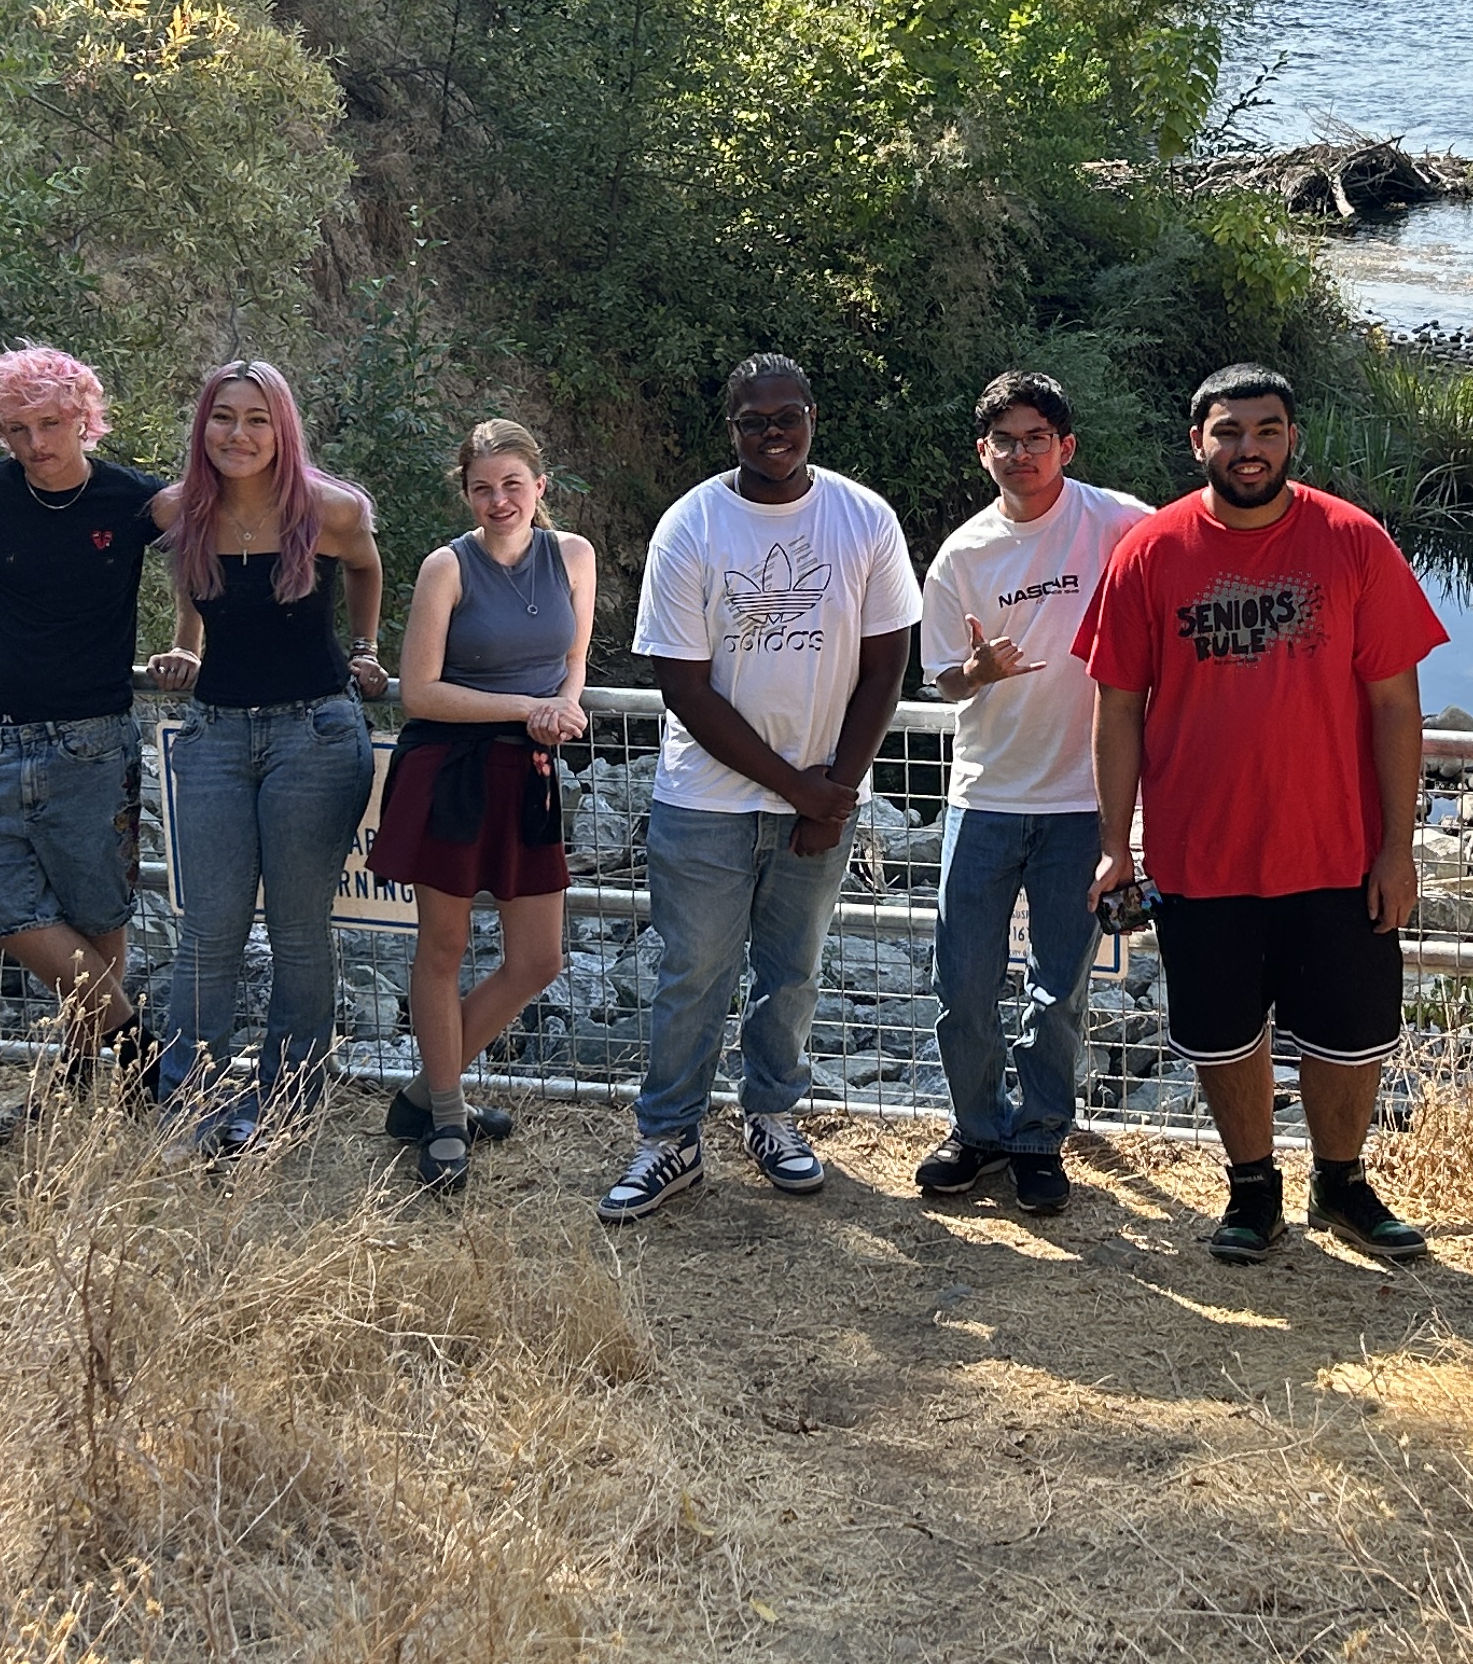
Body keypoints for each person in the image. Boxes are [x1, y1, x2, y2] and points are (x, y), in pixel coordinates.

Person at [1079, 364, 1449, 1265]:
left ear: (1293, 438)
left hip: (1337, 849)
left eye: (1268, 430)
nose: (1250, 448)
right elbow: (1118, 706)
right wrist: (1115, 846)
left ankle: (1342, 1181)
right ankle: (1252, 1189)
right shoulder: (1151, 552)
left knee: (1349, 1034)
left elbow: (1398, 707)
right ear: (1197, 440)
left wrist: (1396, 851)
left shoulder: (1353, 541)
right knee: (1222, 1032)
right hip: (1201, 853)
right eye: (1230, 431)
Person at [597, 356, 921, 1224]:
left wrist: (837, 790)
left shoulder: (865, 519)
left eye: (788, 418)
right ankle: (670, 1139)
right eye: (753, 422)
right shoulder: (691, 525)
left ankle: (772, 1118)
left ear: (813, 417)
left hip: (822, 798)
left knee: (794, 975)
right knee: (693, 972)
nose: (772, 435)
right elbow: (686, 688)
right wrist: (802, 792)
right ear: (729, 427)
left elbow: (887, 667)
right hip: (703, 802)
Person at [911, 371, 1152, 1219]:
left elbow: (1184, 568)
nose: (1021, 454)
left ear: (1066, 446)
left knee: (1061, 988)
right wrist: (976, 672)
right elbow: (941, 679)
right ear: (984, 452)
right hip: (984, 796)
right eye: (1004, 441)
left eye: (1036, 438)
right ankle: (976, 1129)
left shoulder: (1118, 521)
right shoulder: (963, 555)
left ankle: (1041, 1135)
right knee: (963, 984)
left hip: (1084, 803)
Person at [151, 360, 384, 1150]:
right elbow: (189, 585)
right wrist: (185, 644)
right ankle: (189, 1106)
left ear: (281, 427)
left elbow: (368, 568)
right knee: (208, 930)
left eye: (256, 418)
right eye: (224, 417)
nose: (238, 434)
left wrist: (366, 647)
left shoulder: (330, 511)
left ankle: (284, 1102)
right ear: (202, 427)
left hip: (314, 735)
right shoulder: (176, 511)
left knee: (296, 929)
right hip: (213, 734)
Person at [381, 420, 598, 1196]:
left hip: (530, 770)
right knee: (442, 948)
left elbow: (572, 664)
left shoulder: (574, 555)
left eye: (513, 484)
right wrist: (525, 708)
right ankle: (446, 1115)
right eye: (483, 487)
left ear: (541, 486)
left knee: (538, 959)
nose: (499, 499)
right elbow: (419, 692)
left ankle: (419, 1095)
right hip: (453, 770)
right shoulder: (447, 567)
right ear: (467, 494)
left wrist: (561, 710)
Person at [0, 343, 161, 1064]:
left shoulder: (132, 498)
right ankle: (133, 1045)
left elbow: (200, 552)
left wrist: (189, 640)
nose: (36, 444)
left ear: (83, 418)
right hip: (4, 732)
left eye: (50, 423)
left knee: (97, 911)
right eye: (17, 429)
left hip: (93, 738)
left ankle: (77, 1077)